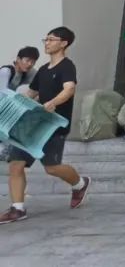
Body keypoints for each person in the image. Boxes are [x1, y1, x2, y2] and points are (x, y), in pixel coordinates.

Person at [0, 27, 91, 224]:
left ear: (63, 43)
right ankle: (17, 209)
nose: (47, 43)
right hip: (32, 125)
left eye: (51, 39)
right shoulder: (42, 70)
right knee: (16, 164)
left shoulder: (67, 66)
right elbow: (30, 94)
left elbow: (69, 89)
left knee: (52, 168)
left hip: (53, 127)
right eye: (46, 39)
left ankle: (80, 184)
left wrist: (53, 102)